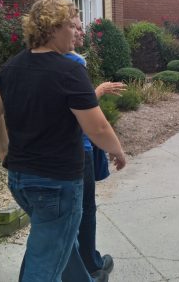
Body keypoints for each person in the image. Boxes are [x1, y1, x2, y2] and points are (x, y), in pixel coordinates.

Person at [0, 0, 127, 282]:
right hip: (56, 184)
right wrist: (118, 151)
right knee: (44, 261)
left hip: (21, 180)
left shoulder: (13, 66)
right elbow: (97, 128)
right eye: (71, 26)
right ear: (53, 28)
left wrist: (3, 150)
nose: (76, 32)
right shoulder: (69, 70)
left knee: (58, 240)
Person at [63, 16, 125, 281]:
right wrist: (98, 90)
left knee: (66, 216)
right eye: (74, 26)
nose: (80, 31)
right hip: (79, 147)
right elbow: (86, 113)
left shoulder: (28, 63)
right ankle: (90, 263)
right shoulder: (74, 62)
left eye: (80, 26)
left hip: (55, 154)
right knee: (84, 209)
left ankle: (78, 264)